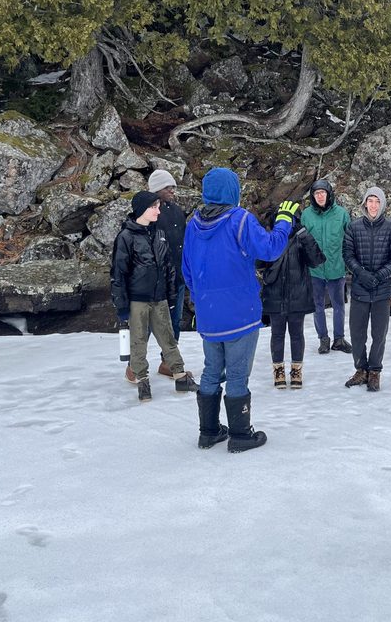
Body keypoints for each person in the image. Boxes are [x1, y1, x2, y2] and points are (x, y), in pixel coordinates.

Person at [182, 167, 298, 452]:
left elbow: (187, 271)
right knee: (236, 374)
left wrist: (202, 300)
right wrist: (284, 221)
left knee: (211, 371)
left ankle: (208, 432)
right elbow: (270, 249)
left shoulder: (192, 225)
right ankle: (240, 435)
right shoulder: (239, 219)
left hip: (209, 316)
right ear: (232, 191)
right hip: (240, 314)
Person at [110, 191, 195, 402]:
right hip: (137, 300)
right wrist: (121, 306)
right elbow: (118, 273)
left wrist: (171, 295)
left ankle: (180, 375)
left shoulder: (159, 233)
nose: (159, 210)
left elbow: (168, 268)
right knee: (138, 342)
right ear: (142, 210)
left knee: (168, 338)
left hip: (160, 298)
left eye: (158, 206)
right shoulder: (126, 237)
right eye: (154, 207)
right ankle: (142, 381)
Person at [342, 186, 391, 392]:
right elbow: (347, 255)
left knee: (379, 334)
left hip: (382, 289)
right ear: (364, 203)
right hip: (360, 288)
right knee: (357, 333)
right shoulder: (354, 227)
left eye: (377, 201)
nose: (374, 205)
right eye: (370, 201)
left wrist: (378, 276)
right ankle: (361, 369)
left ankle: (375, 371)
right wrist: (361, 273)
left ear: (383, 204)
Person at [260, 207, 326, 389]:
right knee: (277, 334)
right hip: (275, 295)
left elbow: (317, 259)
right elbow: (258, 262)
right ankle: (278, 370)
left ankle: (296, 369)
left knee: (296, 334)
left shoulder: (300, 239)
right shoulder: (271, 238)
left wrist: (304, 234)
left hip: (298, 295)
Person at [147, 168, 196, 386]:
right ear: (158, 189)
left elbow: (183, 243)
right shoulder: (148, 212)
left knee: (175, 320)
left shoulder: (176, 211)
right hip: (157, 279)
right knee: (149, 322)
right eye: (169, 188)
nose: (173, 192)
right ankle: (134, 364)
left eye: (174, 187)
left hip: (178, 276)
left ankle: (168, 361)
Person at [300, 178, 352, 354]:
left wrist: (347, 261)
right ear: (313, 197)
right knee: (317, 306)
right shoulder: (306, 215)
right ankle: (323, 338)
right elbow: (300, 241)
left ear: (329, 194)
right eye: (316, 193)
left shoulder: (342, 214)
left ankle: (339, 339)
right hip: (314, 270)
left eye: (323, 193)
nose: (320, 196)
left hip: (336, 267)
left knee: (339, 305)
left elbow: (350, 240)